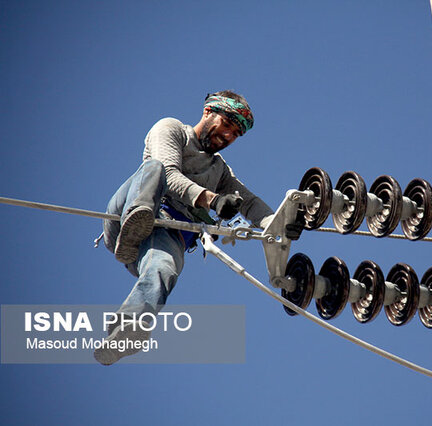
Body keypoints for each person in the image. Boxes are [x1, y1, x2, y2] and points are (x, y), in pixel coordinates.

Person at [94, 90, 290, 365]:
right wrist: (212, 200)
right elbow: (169, 174)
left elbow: (250, 202)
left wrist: (278, 223)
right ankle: (135, 224)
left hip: (167, 231)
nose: (229, 136)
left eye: (236, 134)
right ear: (208, 112)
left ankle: (125, 333)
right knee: (155, 169)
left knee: (164, 269)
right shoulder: (172, 130)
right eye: (227, 125)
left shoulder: (218, 170)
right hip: (133, 210)